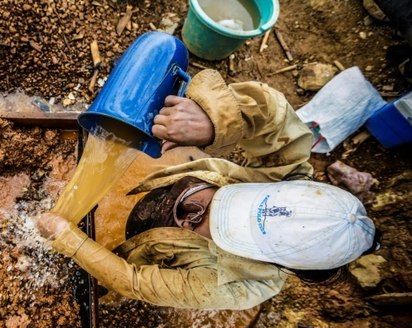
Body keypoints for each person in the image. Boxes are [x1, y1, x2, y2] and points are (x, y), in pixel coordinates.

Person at [36, 69, 380, 310]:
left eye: (221, 229)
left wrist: (68, 238)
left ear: (282, 265)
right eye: (225, 203)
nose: (199, 216)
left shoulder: (240, 285)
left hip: (144, 247)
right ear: (295, 186)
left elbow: (135, 281)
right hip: (166, 179)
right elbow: (273, 115)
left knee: (98, 272)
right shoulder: (285, 174)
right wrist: (215, 121)